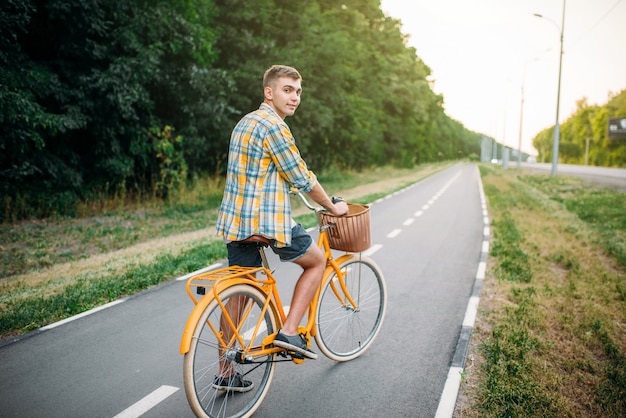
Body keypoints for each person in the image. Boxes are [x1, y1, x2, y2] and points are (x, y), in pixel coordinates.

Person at [214, 65, 348, 391]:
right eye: (288, 89)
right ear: (269, 92)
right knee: (316, 261)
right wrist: (331, 207)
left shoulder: (246, 121)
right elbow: (301, 176)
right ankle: (289, 332)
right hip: (266, 222)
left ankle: (225, 372)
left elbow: (264, 173)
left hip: (236, 222)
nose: (295, 97)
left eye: (298, 92)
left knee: (241, 292)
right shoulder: (275, 126)